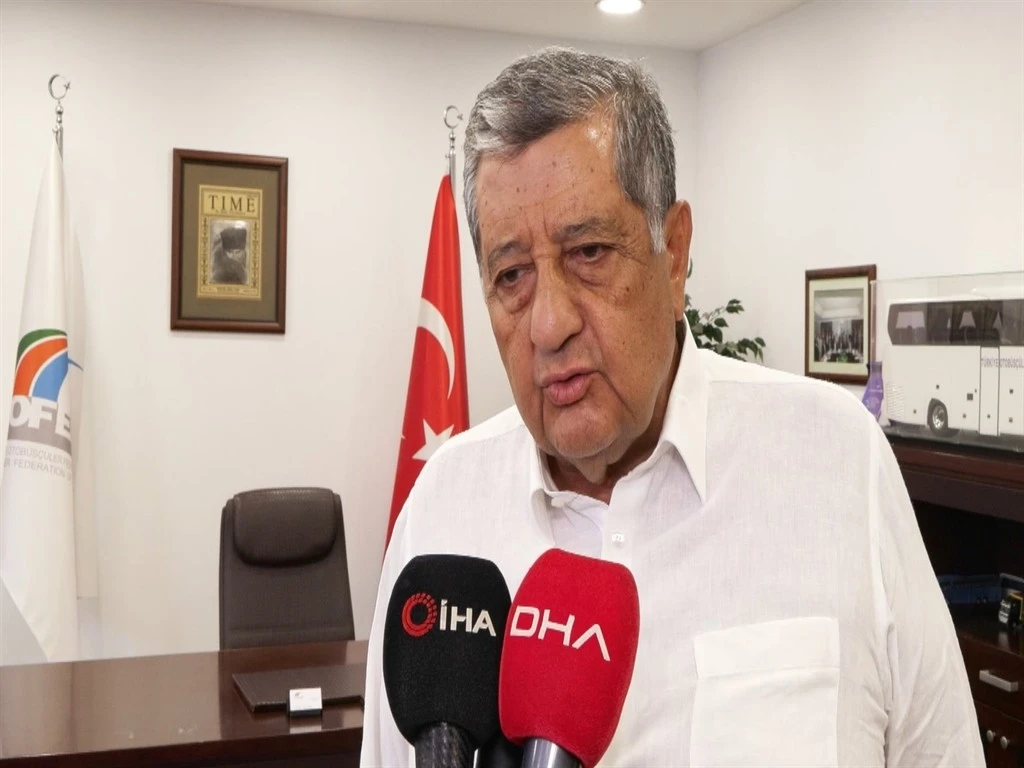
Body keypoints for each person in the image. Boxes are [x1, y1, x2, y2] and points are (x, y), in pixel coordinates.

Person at [360, 47, 982, 766]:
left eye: (589, 252)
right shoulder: (443, 509)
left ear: (675, 250)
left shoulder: (839, 462)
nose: (548, 324)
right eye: (512, 276)